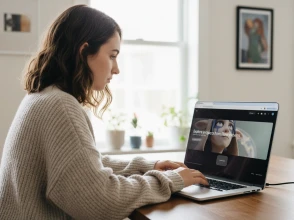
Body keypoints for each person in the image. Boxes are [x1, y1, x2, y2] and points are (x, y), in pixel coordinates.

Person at [0, 5, 208, 220]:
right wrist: (170, 180)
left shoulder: (43, 97)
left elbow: (84, 165)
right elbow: (100, 202)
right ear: (84, 52)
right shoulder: (59, 105)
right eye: (112, 55)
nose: (116, 68)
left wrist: (148, 166)